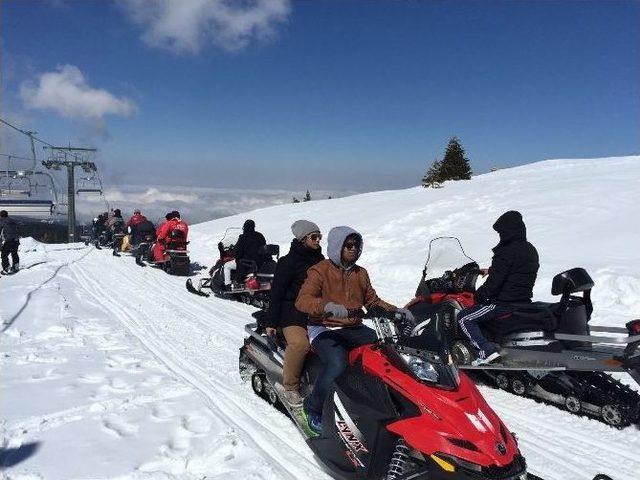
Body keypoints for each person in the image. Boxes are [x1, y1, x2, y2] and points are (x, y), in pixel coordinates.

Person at [295, 226, 414, 434]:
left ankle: (384, 403)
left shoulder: (361, 273)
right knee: (337, 362)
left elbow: (373, 301)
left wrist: (397, 311)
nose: (353, 249)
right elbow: (303, 300)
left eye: (356, 246)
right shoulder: (320, 270)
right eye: (348, 245)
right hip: (324, 328)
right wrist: (327, 307)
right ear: (337, 246)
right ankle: (312, 407)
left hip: (353, 326)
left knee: (386, 353)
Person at [457, 210, 539, 365]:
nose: (500, 236)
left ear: (508, 231)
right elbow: (516, 271)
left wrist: (478, 296)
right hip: (523, 301)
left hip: (504, 304)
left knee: (464, 317)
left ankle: (486, 353)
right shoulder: (529, 249)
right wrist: (493, 269)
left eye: (501, 232)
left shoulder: (507, 252)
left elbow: (494, 284)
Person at [265, 220, 325, 406]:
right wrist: (271, 323)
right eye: (314, 237)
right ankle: (290, 386)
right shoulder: (287, 262)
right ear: (302, 239)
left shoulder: (321, 261)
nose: (318, 241)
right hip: (292, 312)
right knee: (300, 344)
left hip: (315, 311)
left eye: (319, 236)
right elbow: (277, 293)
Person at [225, 219, 266, 288]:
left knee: (227, 266)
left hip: (246, 263)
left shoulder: (243, 237)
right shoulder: (260, 236)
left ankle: (227, 285)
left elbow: (237, 253)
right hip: (259, 262)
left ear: (245, 227)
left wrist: (233, 252)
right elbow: (264, 248)